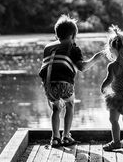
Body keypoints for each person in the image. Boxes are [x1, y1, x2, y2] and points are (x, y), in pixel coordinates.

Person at [39, 14, 104, 147]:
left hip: (48, 85)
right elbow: (83, 67)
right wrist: (96, 58)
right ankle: (66, 136)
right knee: (70, 104)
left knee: (56, 108)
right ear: (73, 35)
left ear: (57, 35)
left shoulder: (47, 48)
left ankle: (55, 138)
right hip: (64, 84)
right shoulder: (72, 48)